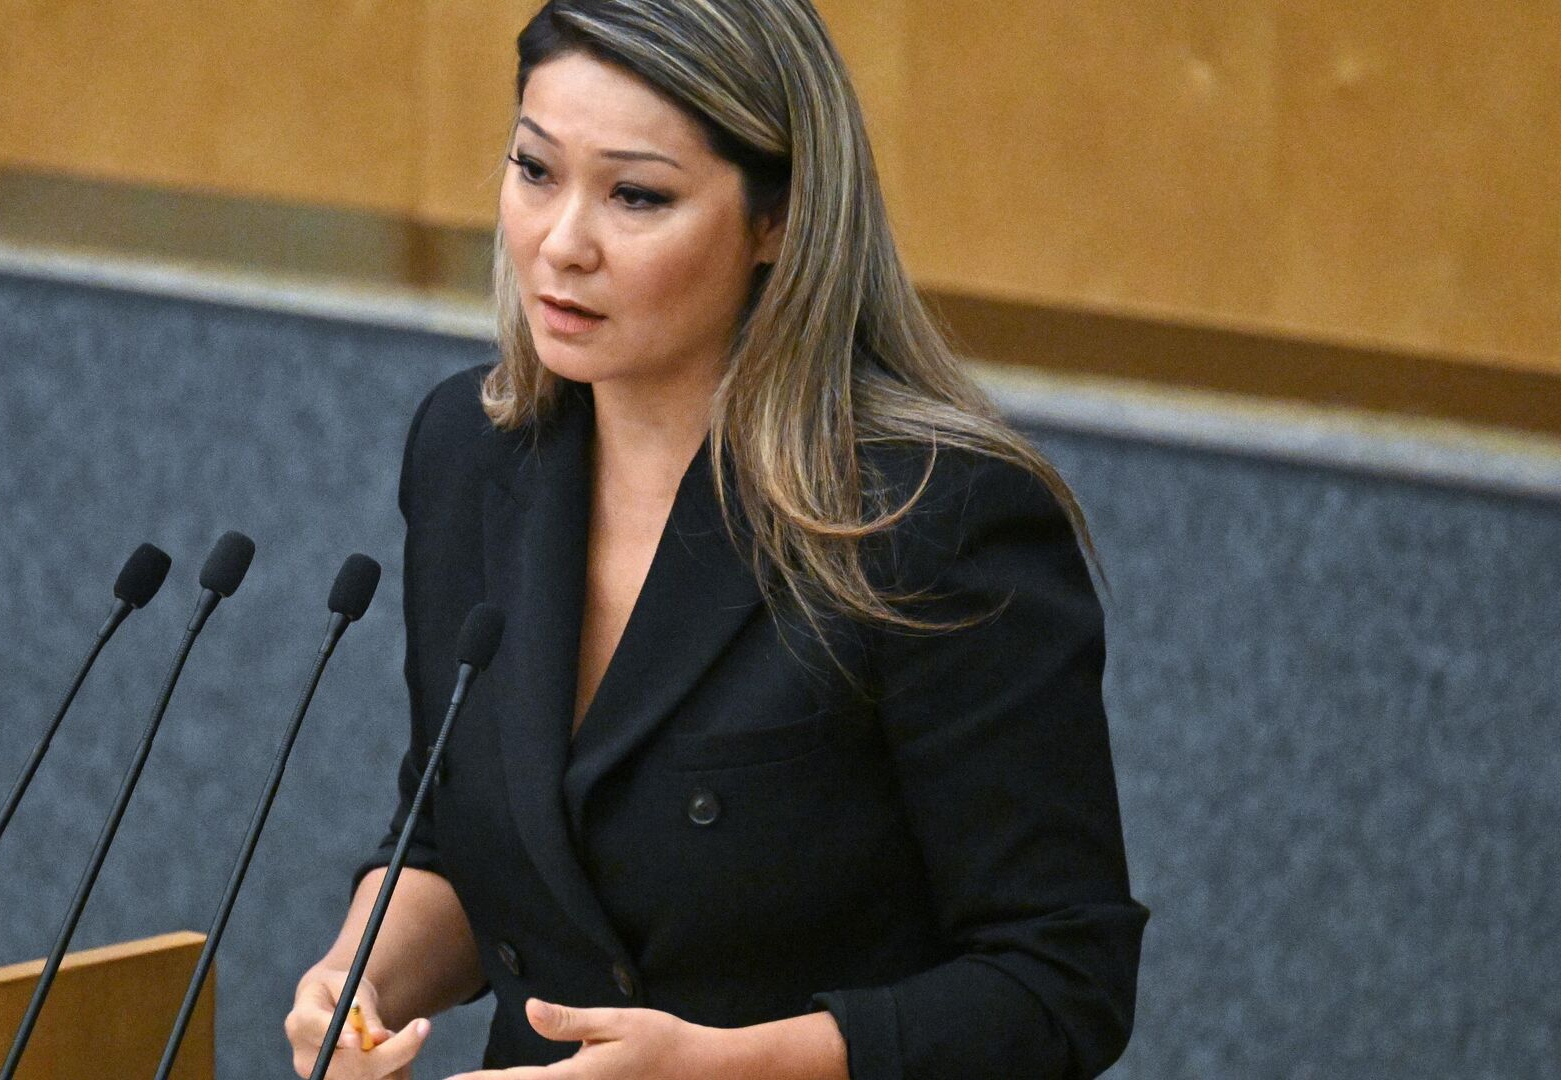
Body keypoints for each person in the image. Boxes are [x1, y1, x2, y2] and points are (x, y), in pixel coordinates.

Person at [286, 2, 1148, 1077]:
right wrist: (358, 983)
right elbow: (464, 838)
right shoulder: (471, 451)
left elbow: (1060, 983)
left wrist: (729, 1069)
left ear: (777, 220)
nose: (562, 242)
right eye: (536, 171)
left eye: (636, 196)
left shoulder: (934, 517)